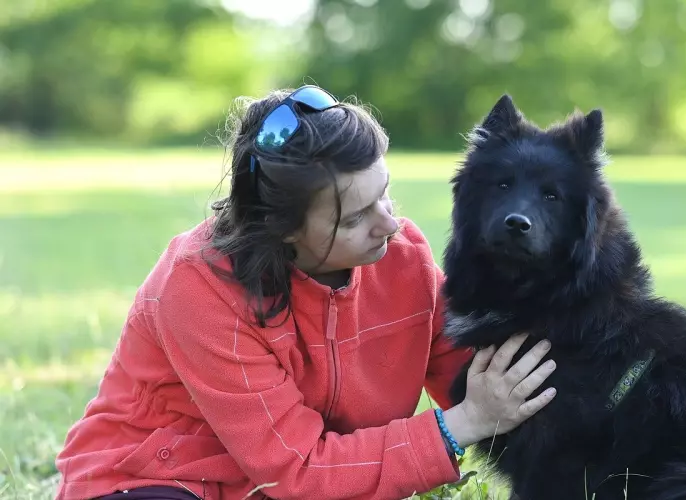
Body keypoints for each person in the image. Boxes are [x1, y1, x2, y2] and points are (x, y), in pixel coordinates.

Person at [54, 85, 557, 500]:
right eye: (357, 217)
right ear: (283, 230)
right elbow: (296, 472)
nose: (389, 223)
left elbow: (482, 376)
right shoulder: (198, 287)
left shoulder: (405, 258)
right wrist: (461, 424)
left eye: (385, 193)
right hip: (158, 479)